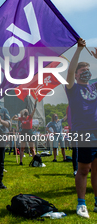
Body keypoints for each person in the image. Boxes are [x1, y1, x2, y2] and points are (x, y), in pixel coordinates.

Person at [65, 38, 97, 218]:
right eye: (82, 71)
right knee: (84, 169)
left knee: (96, 169)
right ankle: (81, 204)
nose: (86, 73)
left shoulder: (94, 87)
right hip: (84, 132)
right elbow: (70, 70)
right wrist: (78, 50)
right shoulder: (72, 88)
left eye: (88, 70)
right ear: (77, 75)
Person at [12, 99, 38, 165]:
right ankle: (21, 161)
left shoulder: (30, 117)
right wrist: (14, 117)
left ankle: (34, 161)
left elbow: (34, 110)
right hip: (23, 132)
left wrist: (35, 102)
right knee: (22, 148)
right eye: (25, 111)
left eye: (27, 111)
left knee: (32, 148)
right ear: (23, 113)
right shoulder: (21, 118)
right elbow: (13, 119)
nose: (26, 112)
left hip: (30, 131)